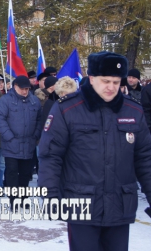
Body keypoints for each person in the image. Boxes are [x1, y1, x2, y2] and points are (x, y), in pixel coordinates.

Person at [38, 51, 151, 251]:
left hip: (120, 204)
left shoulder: (133, 111)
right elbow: (51, 156)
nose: (111, 87)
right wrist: (50, 196)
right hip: (81, 203)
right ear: (91, 78)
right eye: (105, 81)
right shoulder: (67, 109)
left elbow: (145, 159)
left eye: (116, 82)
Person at [0, 75, 42, 209]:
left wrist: (36, 135)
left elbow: (40, 119)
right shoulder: (6, 100)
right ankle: (13, 199)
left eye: (27, 89)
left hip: (29, 143)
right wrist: (9, 136)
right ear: (15, 87)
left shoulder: (34, 101)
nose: (25, 91)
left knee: (26, 173)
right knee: (12, 172)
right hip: (11, 144)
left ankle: (23, 197)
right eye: (23, 89)